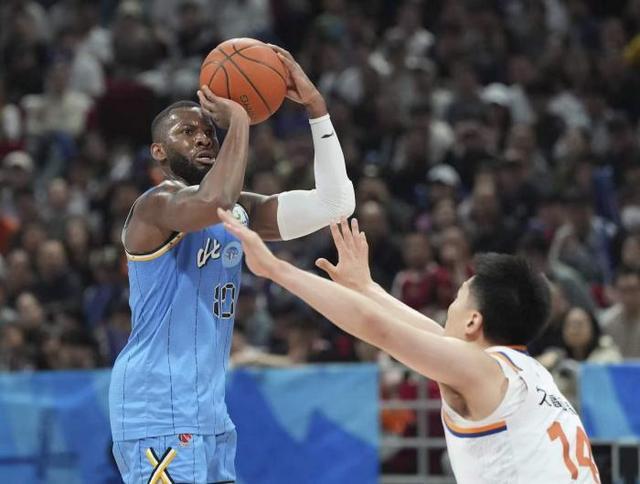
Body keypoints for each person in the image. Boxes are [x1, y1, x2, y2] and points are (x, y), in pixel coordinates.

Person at [108, 44, 355, 484]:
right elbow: (213, 201)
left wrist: (316, 109)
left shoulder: (238, 211)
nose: (204, 137)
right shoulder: (156, 205)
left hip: (208, 409)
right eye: (187, 132)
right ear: (159, 151)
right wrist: (240, 118)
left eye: (210, 130)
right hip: (156, 405)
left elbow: (335, 204)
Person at [218, 211, 601, 484]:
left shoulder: (482, 370)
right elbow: (429, 334)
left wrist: (275, 269)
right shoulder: (528, 372)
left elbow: (377, 328)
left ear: (473, 322)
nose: (449, 310)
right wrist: (367, 288)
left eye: (457, 300)